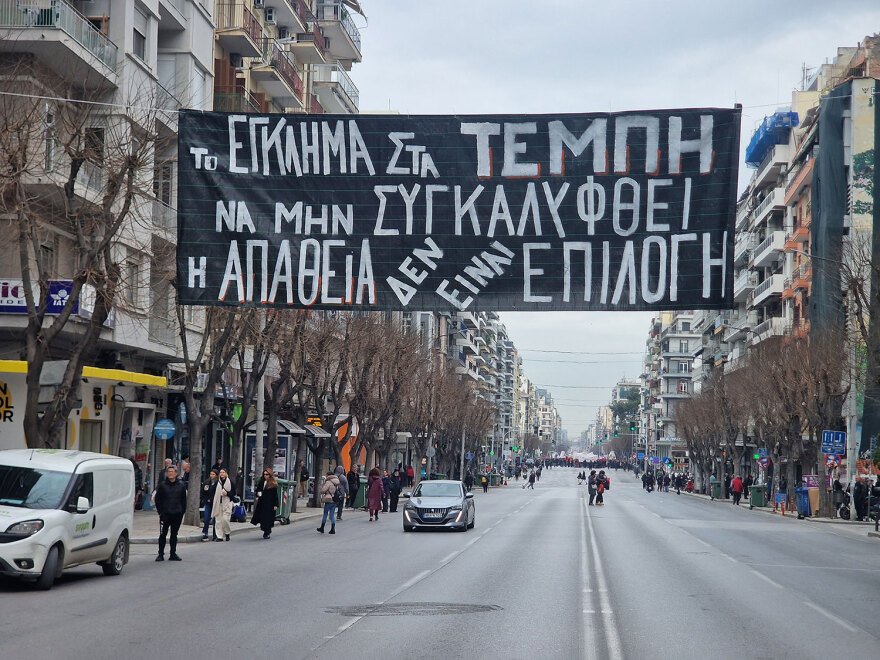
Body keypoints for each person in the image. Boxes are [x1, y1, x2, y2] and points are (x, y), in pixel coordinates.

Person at [155, 465, 186, 562]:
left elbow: (184, 500)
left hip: (177, 514)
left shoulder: (181, 485)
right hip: (165, 514)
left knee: (174, 534)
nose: (170, 473)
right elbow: (157, 500)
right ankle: (160, 554)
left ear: (176, 473)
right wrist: (160, 512)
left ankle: (173, 553)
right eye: (169, 472)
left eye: (172, 472)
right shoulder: (162, 485)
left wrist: (182, 512)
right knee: (163, 534)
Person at [252, 468, 278, 539]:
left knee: (268, 518)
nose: (265, 476)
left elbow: (275, 495)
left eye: (267, 474)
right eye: (264, 474)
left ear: (270, 475)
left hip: (270, 503)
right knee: (263, 518)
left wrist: (276, 504)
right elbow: (258, 490)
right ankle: (264, 529)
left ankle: (267, 532)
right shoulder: (262, 482)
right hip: (262, 503)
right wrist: (258, 493)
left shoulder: (272, 484)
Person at [212, 468, 235, 542]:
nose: (221, 474)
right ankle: (219, 536)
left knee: (225, 519)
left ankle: (227, 532)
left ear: (226, 473)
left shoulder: (230, 482)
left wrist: (227, 493)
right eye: (221, 472)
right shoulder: (217, 483)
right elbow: (212, 492)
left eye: (223, 472)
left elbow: (233, 493)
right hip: (218, 503)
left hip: (227, 503)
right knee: (218, 520)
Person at [201, 469, 219, 541]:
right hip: (208, 503)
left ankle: (215, 534)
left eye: (213, 474)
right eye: (211, 474)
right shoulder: (206, 483)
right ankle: (205, 533)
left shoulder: (218, 483)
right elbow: (203, 492)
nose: (212, 476)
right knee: (206, 518)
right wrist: (206, 499)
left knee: (215, 520)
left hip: (215, 503)